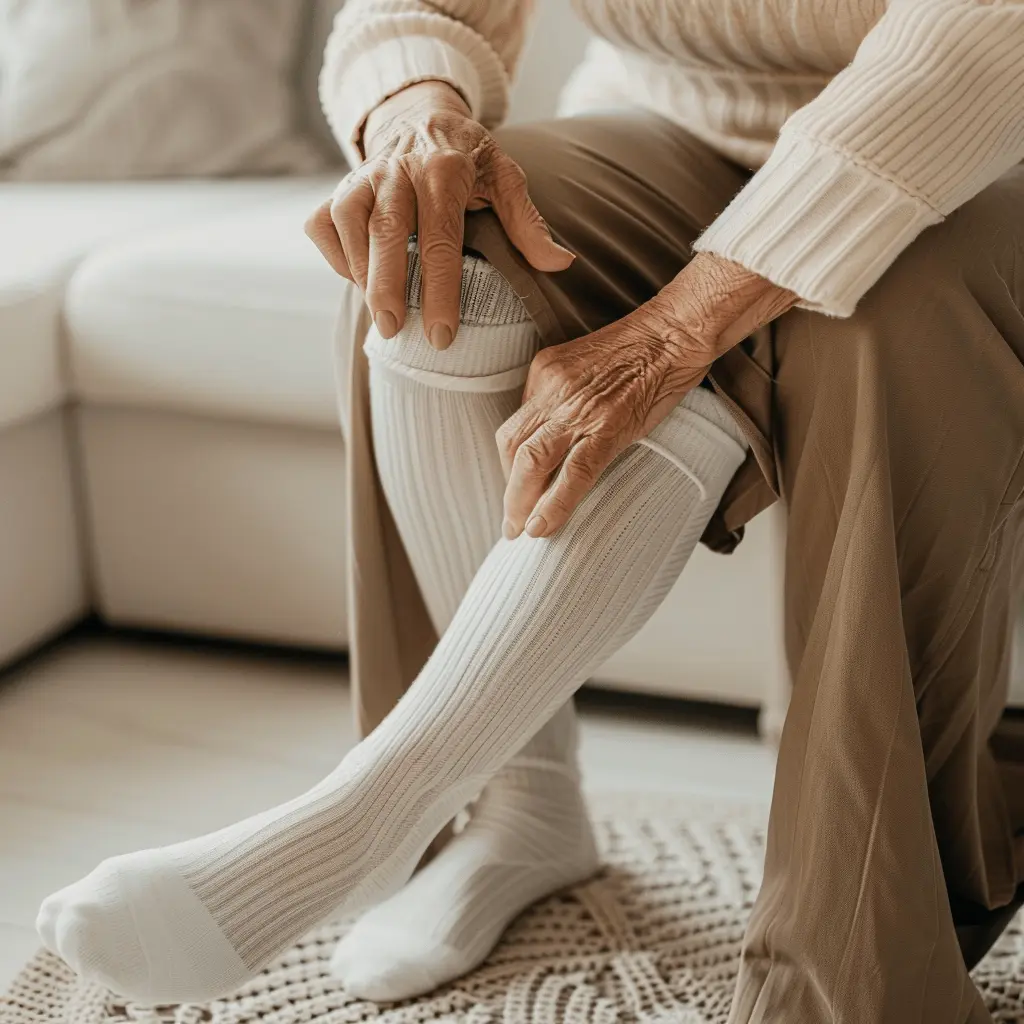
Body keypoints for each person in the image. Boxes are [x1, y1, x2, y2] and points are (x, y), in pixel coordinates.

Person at [37, 2, 1024, 1021]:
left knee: (874, 327)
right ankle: (514, 805)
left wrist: (680, 329)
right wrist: (415, 106)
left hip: (991, 146)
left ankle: (843, 977)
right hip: (682, 126)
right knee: (430, 241)